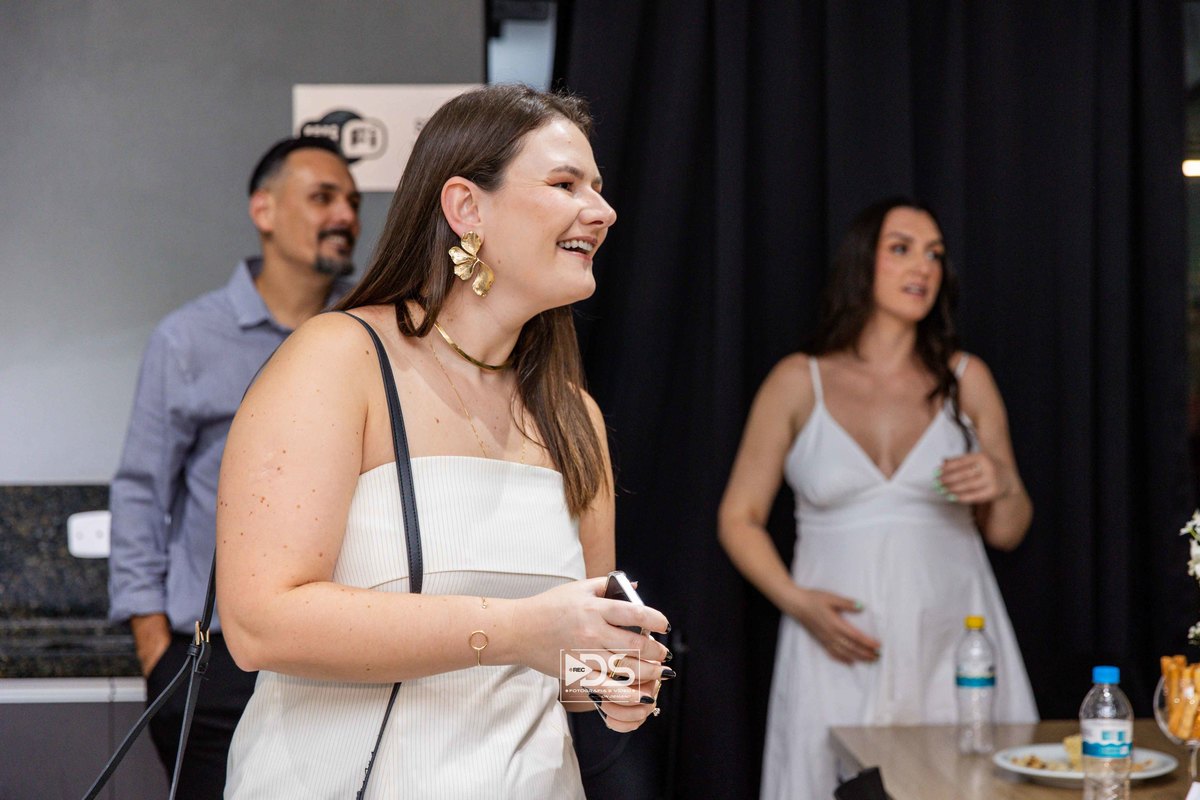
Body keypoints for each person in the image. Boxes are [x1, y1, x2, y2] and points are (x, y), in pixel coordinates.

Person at [215, 84, 673, 798]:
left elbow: (575, 660)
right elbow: (260, 625)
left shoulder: (572, 414)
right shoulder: (339, 358)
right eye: (565, 184)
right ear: (466, 208)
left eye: (599, 188)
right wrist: (515, 630)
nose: (603, 211)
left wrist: (616, 679)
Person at [718, 197, 1039, 799]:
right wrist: (798, 602)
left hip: (952, 642)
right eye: (902, 249)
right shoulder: (799, 380)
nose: (923, 266)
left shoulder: (966, 378)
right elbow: (740, 516)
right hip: (837, 646)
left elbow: (1008, 529)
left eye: (935, 254)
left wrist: (1002, 482)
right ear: (862, 262)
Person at [107, 135, 361, 798]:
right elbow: (141, 493)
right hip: (214, 661)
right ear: (264, 210)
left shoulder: (372, 330)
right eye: (323, 197)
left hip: (344, 657)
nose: (345, 216)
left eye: (353, 202)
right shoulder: (188, 339)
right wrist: (155, 648)